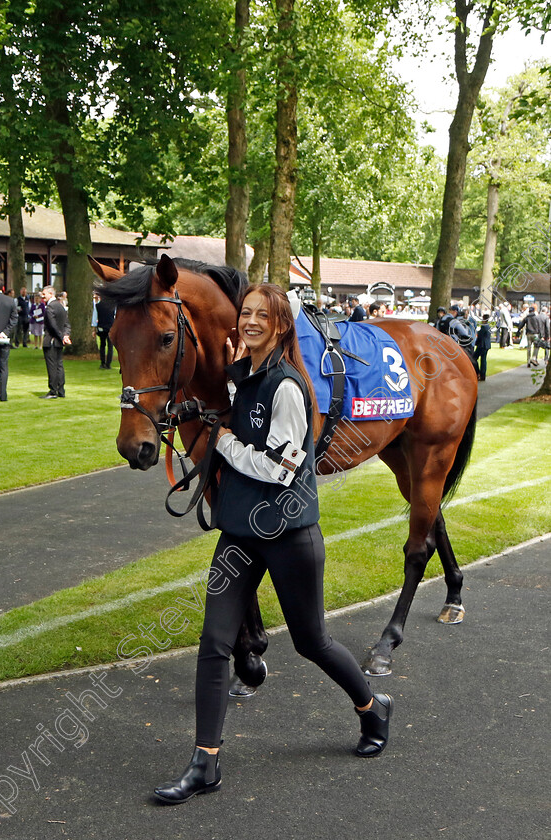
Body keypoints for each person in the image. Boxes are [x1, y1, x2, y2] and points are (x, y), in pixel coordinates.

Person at [154, 283, 393, 806]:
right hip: (240, 534)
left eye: (263, 315)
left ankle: (371, 705)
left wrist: (225, 442)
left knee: (312, 642)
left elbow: (281, 470)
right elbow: (231, 396)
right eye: (246, 313)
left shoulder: (287, 387)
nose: (251, 320)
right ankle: (205, 763)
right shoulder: (248, 377)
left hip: (289, 535)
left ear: (281, 325)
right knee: (215, 642)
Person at [41, 285, 71, 398]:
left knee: (52, 366)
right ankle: (61, 390)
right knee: (59, 365)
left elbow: (53, 326)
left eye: (44, 294)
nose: (42, 296)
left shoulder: (50, 308)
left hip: (51, 341)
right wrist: (66, 335)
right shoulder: (61, 306)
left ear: (51, 294)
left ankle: (53, 390)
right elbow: (67, 324)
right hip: (59, 341)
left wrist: (62, 336)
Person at [92, 296, 116, 369]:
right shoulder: (113, 306)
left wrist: (94, 329)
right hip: (111, 327)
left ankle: (102, 363)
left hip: (101, 327)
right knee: (110, 346)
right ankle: (108, 364)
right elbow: (115, 316)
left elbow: (94, 318)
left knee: (102, 345)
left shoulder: (98, 306)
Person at [473, 313, 491, 381]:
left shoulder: (484, 327)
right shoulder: (488, 326)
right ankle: (483, 374)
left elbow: (480, 336)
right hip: (486, 345)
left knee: (474, 358)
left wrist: (476, 343)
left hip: (482, 345)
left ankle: (478, 372)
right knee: (483, 360)